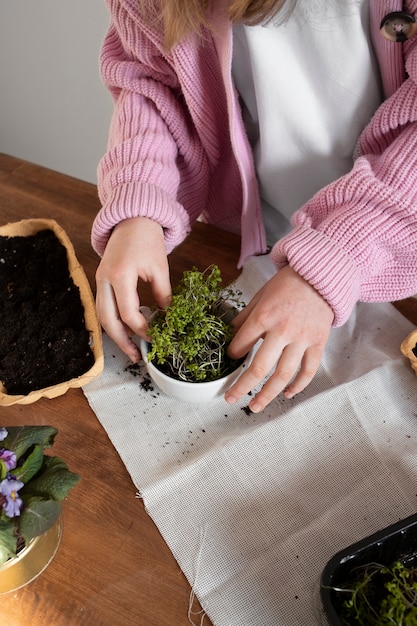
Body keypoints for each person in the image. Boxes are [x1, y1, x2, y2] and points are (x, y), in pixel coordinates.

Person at [92, 0, 417, 413]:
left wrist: (335, 257)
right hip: (253, 233)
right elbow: (153, 82)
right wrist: (140, 199)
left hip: (394, 242)